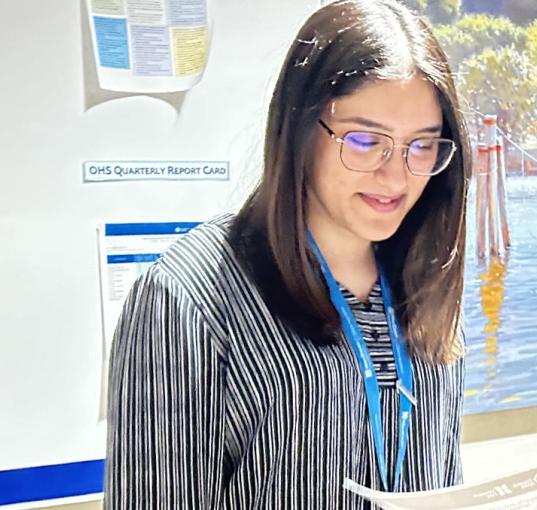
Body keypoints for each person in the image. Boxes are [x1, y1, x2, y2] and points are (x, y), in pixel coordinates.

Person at [104, 1, 471, 507]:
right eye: (365, 141)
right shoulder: (185, 298)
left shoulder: (426, 283)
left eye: (422, 146)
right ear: (299, 130)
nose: (396, 176)